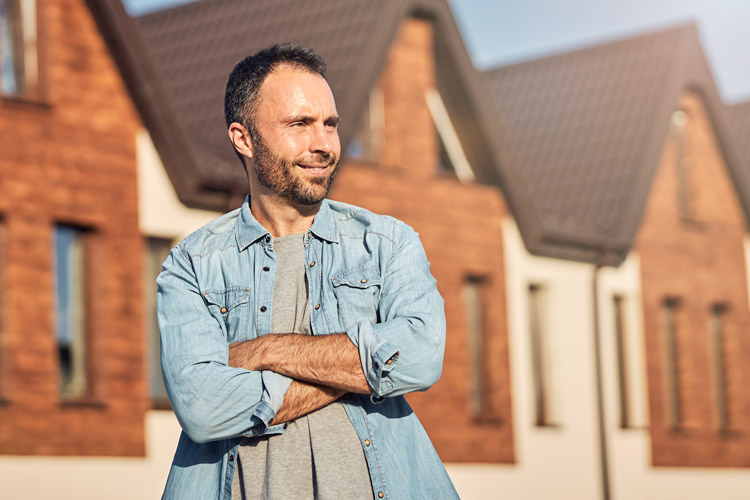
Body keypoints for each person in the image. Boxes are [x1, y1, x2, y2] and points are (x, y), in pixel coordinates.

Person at [157, 43, 459, 500]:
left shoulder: (386, 243)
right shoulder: (193, 266)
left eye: (329, 125)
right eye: (300, 124)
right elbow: (203, 406)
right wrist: (362, 368)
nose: (323, 144)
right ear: (244, 138)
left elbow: (419, 354)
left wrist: (265, 350)